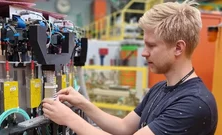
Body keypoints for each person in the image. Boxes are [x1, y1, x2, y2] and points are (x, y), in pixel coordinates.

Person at [42, 0, 218, 134]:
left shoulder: (194, 104)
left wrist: (69, 119)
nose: (144, 53)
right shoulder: (161, 88)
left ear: (178, 48)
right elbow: (124, 127)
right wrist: (83, 103)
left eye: (151, 46)